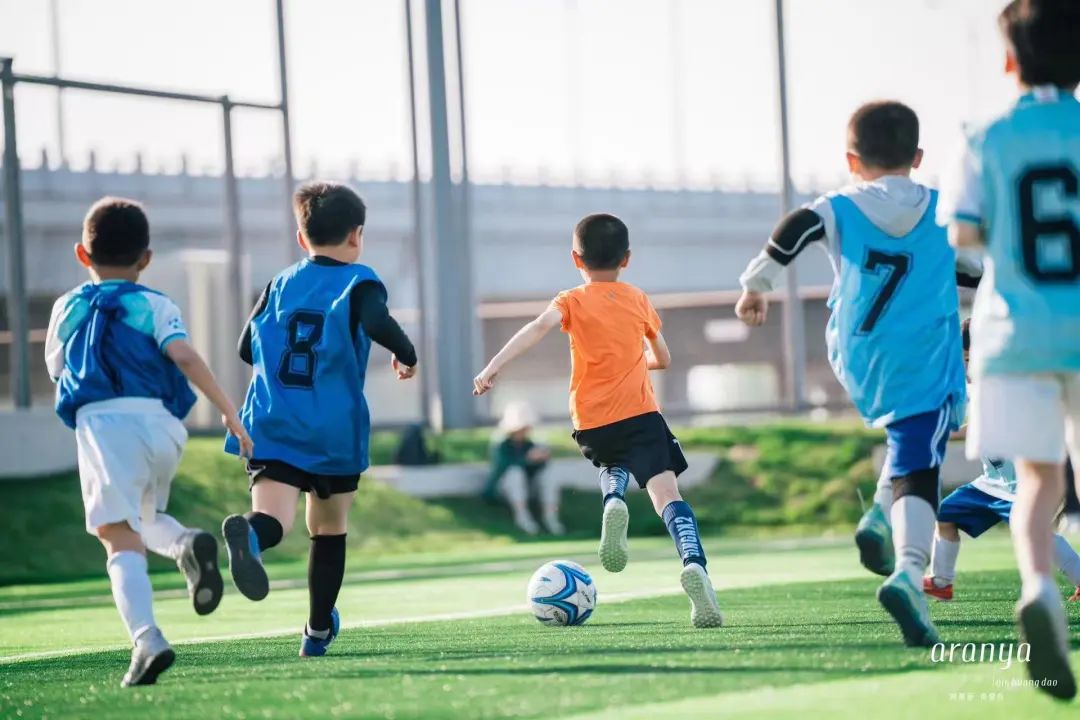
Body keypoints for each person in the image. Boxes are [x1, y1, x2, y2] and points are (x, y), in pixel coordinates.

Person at [736, 101, 967, 648]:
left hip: (858, 352)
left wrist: (757, 284)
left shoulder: (838, 205)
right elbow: (974, 267)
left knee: (907, 438)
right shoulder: (943, 209)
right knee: (922, 460)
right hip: (924, 353)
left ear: (851, 160)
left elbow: (797, 227)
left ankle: (879, 517)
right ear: (917, 157)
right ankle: (910, 571)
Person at [473, 213, 723, 628]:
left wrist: (492, 368)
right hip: (641, 414)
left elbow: (536, 328)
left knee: (611, 461)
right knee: (667, 493)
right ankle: (694, 564)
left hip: (592, 419)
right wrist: (637, 363)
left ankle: (613, 499)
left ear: (576, 259)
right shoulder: (637, 299)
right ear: (627, 259)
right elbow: (663, 358)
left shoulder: (570, 300)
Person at [44, 197, 252, 687]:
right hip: (162, 425)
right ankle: (184, 543)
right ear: (146, 258)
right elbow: (184, 356)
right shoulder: (157, 305)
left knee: (115, 533)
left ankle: (146, 639)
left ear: (82, 254)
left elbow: (58, 370)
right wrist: (229, 411)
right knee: (143, 518)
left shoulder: (68, 307)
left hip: (105, 426)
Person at [937, 0, 1080, 699]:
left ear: (1008, 60)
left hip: (1012, 331)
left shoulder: (983, 137)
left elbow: (962, 236)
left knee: (1036, 480)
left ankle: (1039, 589)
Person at [221, 182, 418, 657]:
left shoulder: (279, 283)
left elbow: (246, 348)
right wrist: (407, 354)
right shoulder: (359, 281)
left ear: (300, 237)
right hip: (331, 428)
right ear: (356, 235)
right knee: (328, 530)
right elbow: (376, 322)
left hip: (271, 422)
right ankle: (315, 632)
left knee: (274, 518)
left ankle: (250, 534)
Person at [926, 322, 1080, 602]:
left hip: (1020, 484)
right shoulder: (973, 387)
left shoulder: (1007, 383)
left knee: (1036, 531)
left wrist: (944, 432)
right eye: (963, 359)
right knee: (945, 515)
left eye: (969, 358)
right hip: (990, 483)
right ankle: (941, 582)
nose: (966, 366)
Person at [482, 401, 563, 536]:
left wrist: (541, 459)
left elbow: (536, 470)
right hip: (503, 487)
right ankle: (522, 517)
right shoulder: (501, 445)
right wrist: (527, 459)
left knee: (550, 474)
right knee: (515, 473)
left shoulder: (530, 445)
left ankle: (550, 517)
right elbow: (503, 466)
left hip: (528, 487)